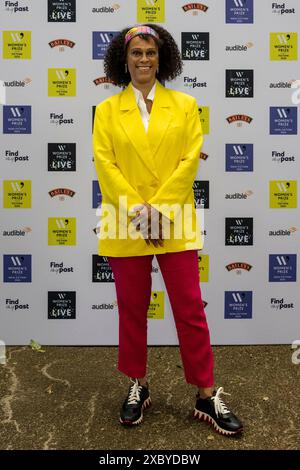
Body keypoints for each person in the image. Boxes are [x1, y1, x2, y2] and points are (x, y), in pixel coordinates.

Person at [93, 24, 243, 437]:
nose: (144, 60)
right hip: (124, 223)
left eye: (151, 53)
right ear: (124, 60)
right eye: (136, 53)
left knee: (190, 309)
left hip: (173, 222)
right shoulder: (106, 112)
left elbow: (187, 162)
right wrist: (141, 214)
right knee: (131, 308)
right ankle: (137, 385)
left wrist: (157, 213)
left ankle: (205, 394)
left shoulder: (185, 104)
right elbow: (106, 167)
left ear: (163, 58)